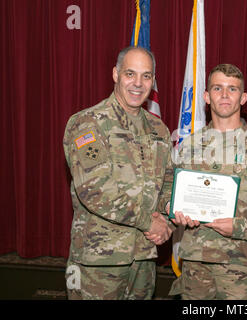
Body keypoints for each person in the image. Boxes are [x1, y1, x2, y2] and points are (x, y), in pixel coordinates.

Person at [169, 64, 247, 300]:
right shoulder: (188, 147)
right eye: (217, 88)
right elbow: (170, 194)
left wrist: (239, 227)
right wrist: (173, 212)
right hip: (196, 267)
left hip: (243, 268)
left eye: (232, 89)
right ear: (206, 96)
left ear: (243, 97)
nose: (224, 95)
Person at [63, 46, 174, 299]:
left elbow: (168, 182)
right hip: (99, 261)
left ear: (153, 80)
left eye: (146, 76)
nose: (138, 83)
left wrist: (166, 220)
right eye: (130, 74)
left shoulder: (158, 128)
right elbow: (96, 191)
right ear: (115, 74)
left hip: (144, 257)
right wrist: (151, 222)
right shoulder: (88, 123)